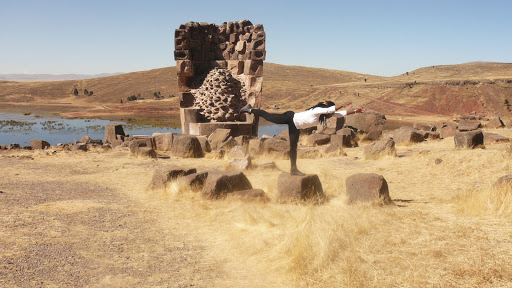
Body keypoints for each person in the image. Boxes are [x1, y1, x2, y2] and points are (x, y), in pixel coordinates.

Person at [240, 101, 365, 176]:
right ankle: (249, 109)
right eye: (330, 111)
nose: (330, 114)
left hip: (296, 126)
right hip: (290, 118)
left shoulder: (325, 115)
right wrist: (342, 105)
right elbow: (330, 109)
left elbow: (339, 114)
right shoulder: (318, 110)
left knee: (293, 148)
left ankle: (293, 169)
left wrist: (355, 111)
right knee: (269, 116)